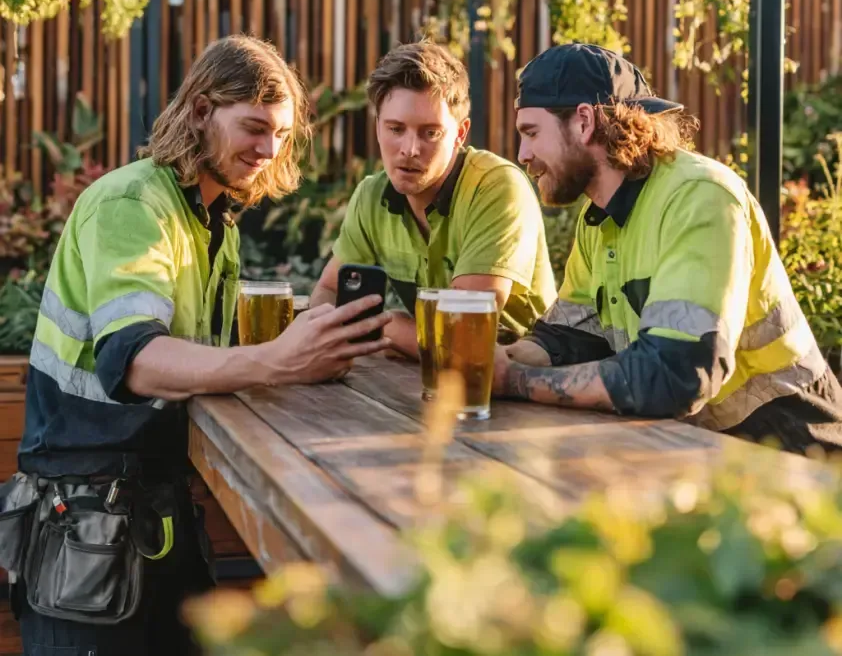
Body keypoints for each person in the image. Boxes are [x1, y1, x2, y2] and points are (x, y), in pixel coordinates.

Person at [10, 35, 392, 655]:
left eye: (280, 135)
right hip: (85, 523)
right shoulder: (134, 203)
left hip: (152, 508)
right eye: (253, 128)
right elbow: (134, 360)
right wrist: (276, 360)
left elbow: (204, 357)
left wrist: (307, 351)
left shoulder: (214, 222)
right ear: (199, 111)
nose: (268, 151)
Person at [493, 42, 842, 455]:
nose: (522, 155)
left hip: (792, 457)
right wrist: (487, 360)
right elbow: (565, 339)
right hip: (696, 450)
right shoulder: (600, 216)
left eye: (531, 133)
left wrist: (514, 381)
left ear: (584, 122)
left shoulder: (700, 197)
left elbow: (677, 375)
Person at [310, 40, 557, 353]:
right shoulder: (372, 195)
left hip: (520, 381)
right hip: (422, 376)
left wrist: (381, 323)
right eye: (396, 129)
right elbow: (329, 292)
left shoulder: (496, 188)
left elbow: (464, 335)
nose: (410, 149)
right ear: (377, 128)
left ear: (460, 133)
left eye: (430, 132)